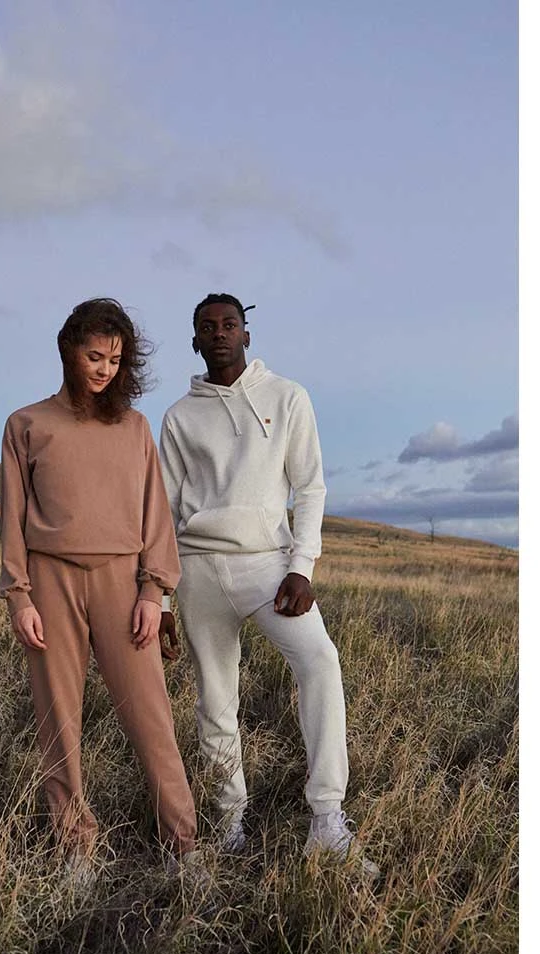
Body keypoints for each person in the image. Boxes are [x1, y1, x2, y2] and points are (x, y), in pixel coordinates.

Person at [158, 293, 377, 875]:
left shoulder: (287, 397)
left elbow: (310, 487)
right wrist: (160, 598)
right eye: (208, 327)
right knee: (215, 699)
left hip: (269, 568)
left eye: (230, 324)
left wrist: (302, 567)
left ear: (247, 335)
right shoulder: (179, 417)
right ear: (195, 342)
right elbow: (164, 512)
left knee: (320, 662)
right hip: (199, 569)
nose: (220, 333)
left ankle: (326, 819)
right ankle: (230, 822)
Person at [0, 297, 205, 890]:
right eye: (95, 356)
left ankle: (183, 847)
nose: (104, 370)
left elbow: (155, 516)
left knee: (152, 718)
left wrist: (153, 591)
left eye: (115, 360)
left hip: (123, 582)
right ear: (68, 350)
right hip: (50, 581)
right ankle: (75, 851)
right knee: (58, 721)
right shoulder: (26, 424)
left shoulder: (134, 428)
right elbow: (12, 518)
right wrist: (19, 596)